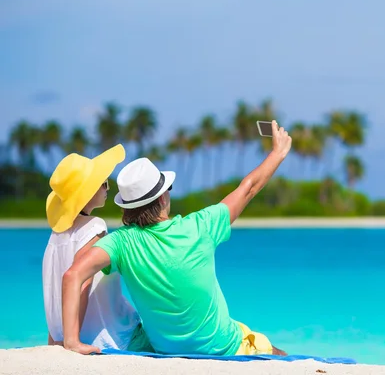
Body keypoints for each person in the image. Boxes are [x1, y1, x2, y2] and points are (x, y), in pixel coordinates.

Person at [60, 120, 292, 356]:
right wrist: (278, 153)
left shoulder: (121, 243)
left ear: (128, 207)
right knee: (278, 354)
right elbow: (248, 188)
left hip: (165, 350)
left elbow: (72, 275)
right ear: (162, 199)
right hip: (224, 347)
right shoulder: (201, 226)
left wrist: (71, 341)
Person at [42, 144, 153, 352]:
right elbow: (81, 280)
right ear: (88, 191)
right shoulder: (94, 226)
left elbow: (54, 292)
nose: (107, 188)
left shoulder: (56, 236)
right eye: (103, 183)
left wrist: (57, 340)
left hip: (67, 335)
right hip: (111, 336)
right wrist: (72, 342)